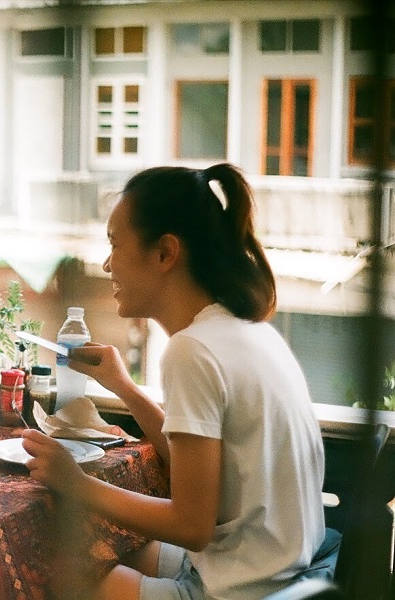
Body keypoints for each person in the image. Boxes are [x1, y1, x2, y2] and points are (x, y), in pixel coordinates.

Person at [22, 164, 326, 599]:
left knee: (59, 572)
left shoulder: (193, 351)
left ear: (165, 253)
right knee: (107, 548)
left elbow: (192, 525)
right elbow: (203, 478)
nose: (108, 264)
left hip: (240, 588)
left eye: (115, 244)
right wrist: (125, 388)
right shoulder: (246, 331)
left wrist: (76, 483)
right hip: (279, 570)